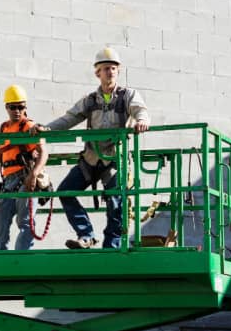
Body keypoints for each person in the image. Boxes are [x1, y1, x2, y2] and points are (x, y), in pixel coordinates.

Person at [32, 47, 149, 249]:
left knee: (115, 200)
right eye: (105, 68)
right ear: (97, 73)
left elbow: (140, 110)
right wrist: (47, 129)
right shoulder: (91, 100)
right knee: (65, 191)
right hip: (91, 158)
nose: (110, 72)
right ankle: (86, 235)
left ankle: (112, 244)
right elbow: (70, 118)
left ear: (118, 71)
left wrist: (142, 121)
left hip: (115, 159)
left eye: (113, 68)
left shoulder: (128, 96)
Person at [0, 85, 48, 250]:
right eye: (13, 107)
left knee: (25, 221)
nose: (17, 111)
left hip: (24, 177)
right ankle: (1, 257)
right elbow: (4, 150)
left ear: (25, 107)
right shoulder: (5, 127)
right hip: (7, 182)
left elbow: (44, 152)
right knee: (0, 221)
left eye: (21, 107)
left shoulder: (29, 126)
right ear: (7, 107)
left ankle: (21, 258)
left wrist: (33, 175)